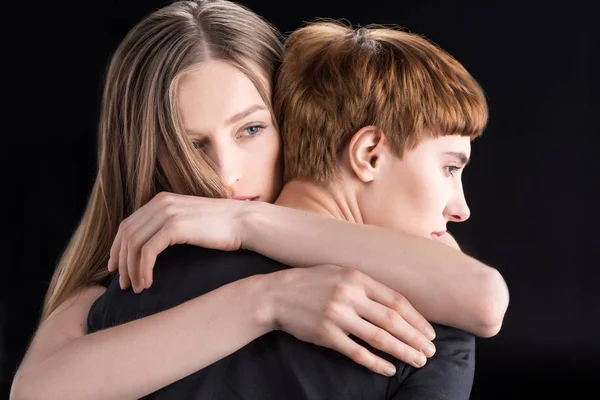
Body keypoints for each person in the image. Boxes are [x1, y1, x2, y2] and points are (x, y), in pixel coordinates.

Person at [9, 1, 508, 399]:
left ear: (290, 117)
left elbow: (482, 298)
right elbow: (34, 392)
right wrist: (266, 301)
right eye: (193, 145)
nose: (227, 173)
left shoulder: (406, 244)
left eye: (251, 129)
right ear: (147, 157)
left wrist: (247, 220)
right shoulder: (115, 285)